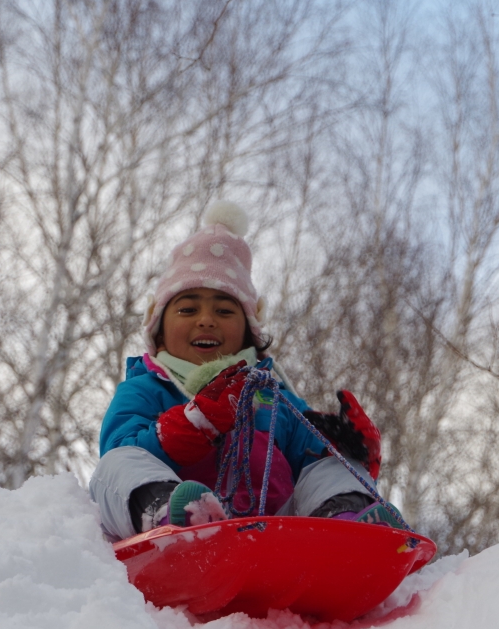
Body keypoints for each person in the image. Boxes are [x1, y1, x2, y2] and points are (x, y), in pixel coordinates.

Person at [89, 201, 403, 541]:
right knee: (117, 465)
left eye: (224, 311)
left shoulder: (272, 396)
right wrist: (192, 426)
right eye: (188, 308)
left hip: (272, 531)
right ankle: (171, 515)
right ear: (159, 329)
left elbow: (310, 456)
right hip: (176, 520)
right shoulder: (146, 388)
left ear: (249, 330)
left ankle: (347, 521)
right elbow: (121, 445)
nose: (206, 319)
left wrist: (349, 448)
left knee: (332, 466)